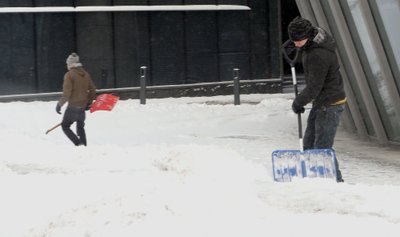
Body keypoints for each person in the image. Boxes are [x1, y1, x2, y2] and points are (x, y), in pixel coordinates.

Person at [287, 16, 346, 182]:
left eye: (299, 40)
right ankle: (315, 180)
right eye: (294, 40)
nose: (296, 44)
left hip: (330, 104)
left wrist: (298, 102)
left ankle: (337, 182)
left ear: (308, 35)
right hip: (322, 102)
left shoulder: (317, 55)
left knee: (321, 149)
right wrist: (300, 50)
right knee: (309, 145)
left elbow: (314, 86)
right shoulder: (313, 44)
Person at [56, 53, 96, 146]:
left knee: (65, 126)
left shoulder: (69, 75)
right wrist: (88, 103)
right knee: (80, 128)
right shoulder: (86, 74)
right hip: (82, 107)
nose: (67, 66)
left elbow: (67, 93)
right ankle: (84, 147)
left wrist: (59, 105)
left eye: (67, 64)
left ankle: (78, 144)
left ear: (70, 64)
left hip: (72, 107)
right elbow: (93, 89)